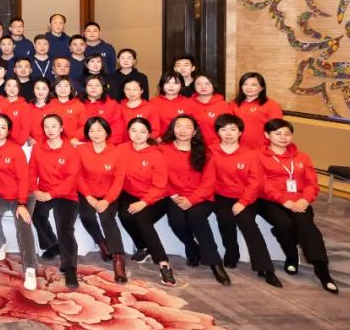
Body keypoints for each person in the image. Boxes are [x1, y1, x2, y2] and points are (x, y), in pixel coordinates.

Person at [254, 119, 338, 293]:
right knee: (285, 224)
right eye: (278, 134)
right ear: (267, 135)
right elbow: (261, 183)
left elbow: (311, 183)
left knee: (306, 225)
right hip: (269, 200)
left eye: (287, 134)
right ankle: (291, 255)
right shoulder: (257, 156)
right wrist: (283, 200)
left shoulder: (302, 157)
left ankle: (322, 270)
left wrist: (305, 200)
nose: (283, 137)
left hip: (299, 200)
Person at [207, 114, 281, 287]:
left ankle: (266, 269)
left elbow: (255, 182)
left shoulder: (251, 154)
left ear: (240, 132)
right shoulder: (210, 151)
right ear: (217, 132)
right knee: (224, 218)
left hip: (245, 197)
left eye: (233, 129)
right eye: (223, 129)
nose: (228, 133)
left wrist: (243, 202)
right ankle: (232, 252)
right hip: (221, 195)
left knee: (248, 223)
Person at [158, 115, 231, 285]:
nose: (182, 130)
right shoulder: (163, 150)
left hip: (201, 196)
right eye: (178, 126)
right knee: (176, 221)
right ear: (172, 129)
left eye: (188, 127)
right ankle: (192, 247)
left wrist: (192, 200)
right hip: (175, 195)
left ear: (195, 132)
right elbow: (160, 176)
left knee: (196, 217)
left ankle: (215, 262)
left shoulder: (205, 152)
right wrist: (173, 195)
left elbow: (209, 182)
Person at [0, 113, 37, 290]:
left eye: (2, 127)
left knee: (23, 225)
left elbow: (23, 178)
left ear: (8, 131)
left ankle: (30, 268)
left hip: (22, 194)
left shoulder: (15, 149)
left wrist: (22, 204)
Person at [115, 117, 177, 286]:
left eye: (142, 131)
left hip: (155, 196)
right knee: (124, 215)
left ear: (149, 134)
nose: (137, 134)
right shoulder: (121, 149)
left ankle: (163, 263)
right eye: (133, 130)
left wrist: (144, 202)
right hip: (129, 193)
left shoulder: (156, 155)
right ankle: (143, 246)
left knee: (142, 218)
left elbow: (160, 186)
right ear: (128, 132)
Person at [30, 114, 84, 288]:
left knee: (65, 228)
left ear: (61, 128)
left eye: (54, 126)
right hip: (44, 191)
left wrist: (51, 194)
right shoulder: (38, 148)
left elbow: (72, 179)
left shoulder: (71, 150)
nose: (50, 130)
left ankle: (70, 268)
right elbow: (31, 172)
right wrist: (35, 190)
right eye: (46, 126)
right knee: (35, 212)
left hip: (66, 195)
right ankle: (52, 244)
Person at [76, 117, 129, 282]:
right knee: (86, 215)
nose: (96, 134)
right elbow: (78, 175)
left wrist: (107, 200)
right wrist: (89, 197)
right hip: (87, 193)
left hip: (108, 194)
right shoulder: (81, 150)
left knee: (107, 219)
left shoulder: (116, 153)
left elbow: (119, 179)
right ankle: (101, 242)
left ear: (107, 132)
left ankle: (118, 259)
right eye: (91, 131)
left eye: (100, 130)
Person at [233, 71, 284, 150]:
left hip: (263, 148)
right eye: (245, 84)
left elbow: (277, 129)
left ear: (261, 88)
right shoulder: (234, 103)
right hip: (238, 147)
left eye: (253, 85)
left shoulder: (271, 105)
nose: (248, 87)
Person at [188, 74, 233, 147]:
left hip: (216, 147)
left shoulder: (223, 106)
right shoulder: (187, 103)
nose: (203, 86)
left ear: (214, 85)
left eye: (207, 84)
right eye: (199, 84)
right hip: (192, 146)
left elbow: (229, 129)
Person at [79, 75, 124, 145]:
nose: (93, 88)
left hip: (106, 144)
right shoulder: (78, 103)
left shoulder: (111, 104)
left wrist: (105, 144)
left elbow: (117, 127)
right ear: (85, 87)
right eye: (90, 85)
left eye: (97, 85)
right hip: (81, 144)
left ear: (103, 88)